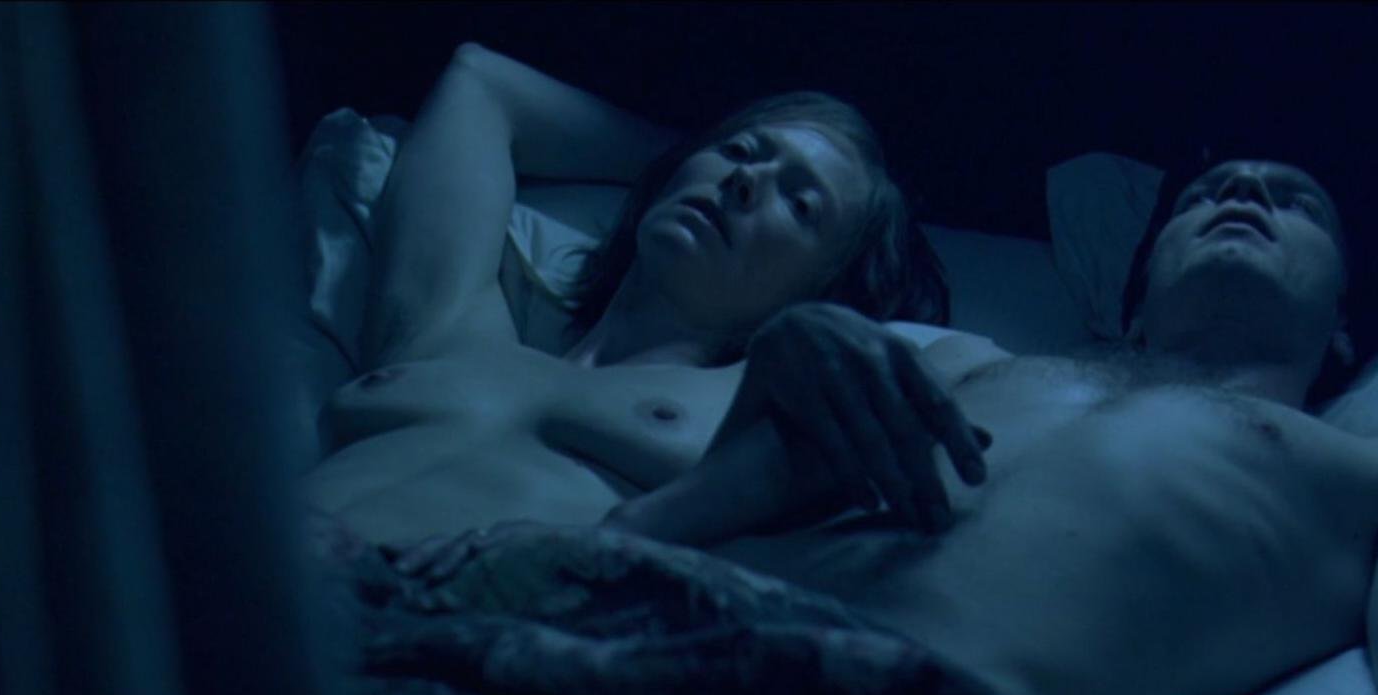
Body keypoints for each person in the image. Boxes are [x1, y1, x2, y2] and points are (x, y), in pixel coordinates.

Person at [604, 159, 1378, 695]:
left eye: (1299, 205)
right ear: (1135, 301)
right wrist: (773, 374)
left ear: (1344, 325)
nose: (1244, 191)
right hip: (633, 672)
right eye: (1203, 195)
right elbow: (636, 538)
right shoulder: (951, 362)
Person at [302, 43, 954, 550]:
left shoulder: (758, 415)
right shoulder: (449, 331)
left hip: (442, 640)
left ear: (830, 293)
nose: (744, 178)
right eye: (739, 150)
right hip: (265, 600)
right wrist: (683, 156)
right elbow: (481, 82)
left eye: (801, 202)